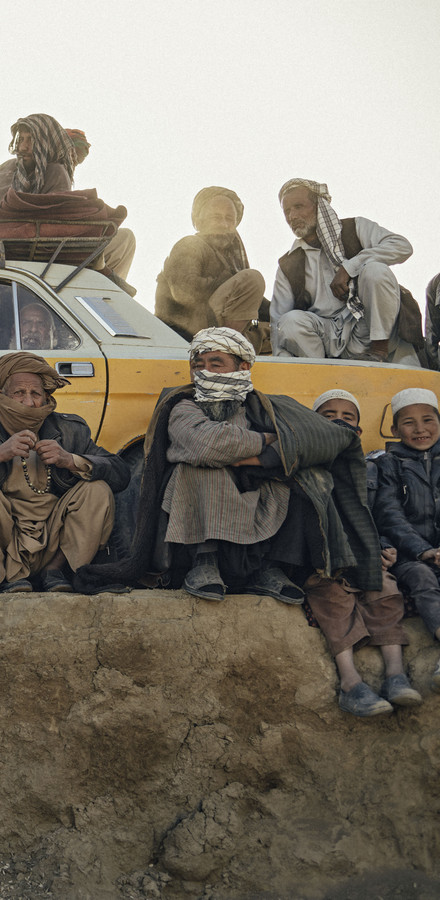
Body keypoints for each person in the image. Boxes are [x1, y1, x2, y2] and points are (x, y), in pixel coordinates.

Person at [83, 327, 381, 612]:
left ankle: (269, 570)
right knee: (200, 468)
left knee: (308, 477)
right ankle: (204, 563)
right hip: (198, 502)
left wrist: (259, 459)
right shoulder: (182, 404)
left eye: (216, 363)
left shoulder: (268, 407)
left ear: (243, 367)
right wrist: (266, 439)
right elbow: (205, 445)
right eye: (198, 364)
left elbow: (313, 440)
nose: (205, 371)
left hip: (258, 496)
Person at [0, 352, 128, 593]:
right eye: (19, 393)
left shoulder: (70, 430)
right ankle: (7, 579)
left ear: (46, 397)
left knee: (97, 490)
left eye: (35, 394)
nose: (28, 402)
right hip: (3, 542)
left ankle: (55, 571)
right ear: (1, 396)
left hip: (54, 541)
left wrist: (69, 460)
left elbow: (120, 473)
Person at [307, 389, 418, 716]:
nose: (339, 421)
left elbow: (378, 514)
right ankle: (350, 683)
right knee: (333, 599)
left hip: (364, 552)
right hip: (321, 558)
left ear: (358, 427)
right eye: (329, 416)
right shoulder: (304, 460)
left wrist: (384, 545)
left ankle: (396, 675)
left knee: (384, 590)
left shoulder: (371, 466)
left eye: (348, 416)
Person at [0, 114, 135, 286]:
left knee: (123, 239)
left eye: (30, 140)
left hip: (23, 239)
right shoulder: (10, 167)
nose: (23, 147)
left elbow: (48, 216)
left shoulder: (54, 172)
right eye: (21, 140)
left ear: (46, 144)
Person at [272, 179, 414, 363]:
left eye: (299, 206)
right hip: (324, 336)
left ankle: (379, 350)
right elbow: (278, 321)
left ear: (319, 207)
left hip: (365, 327)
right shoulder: (289, 263)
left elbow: (402, 247)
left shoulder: (355, 228)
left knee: (375, 270)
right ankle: (321, 375)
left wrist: (350, 266)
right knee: (289, 321)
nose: (292, 216)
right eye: (287, 211)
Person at [372, 387, 440, 695]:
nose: (420, 429)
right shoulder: (389, 463)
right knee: (423, 579)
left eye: (428, 420)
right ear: (396, 429)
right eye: (409, 423)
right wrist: (424, 550)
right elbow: (389, 514)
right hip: (411, 556)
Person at [155, 187, 268, 349]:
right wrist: (226, 280)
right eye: (216, 217)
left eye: (229, 219)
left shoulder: (230, 260)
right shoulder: (190, 245)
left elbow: (255, 302)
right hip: (184, 330)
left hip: (215, 324)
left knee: (279, 330)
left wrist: (282, 314)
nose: (224, 224)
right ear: (199, 221)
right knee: (252, 279)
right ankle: (225, 349)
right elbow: (184, 293)